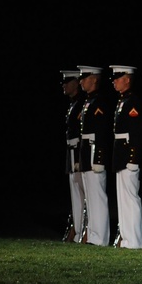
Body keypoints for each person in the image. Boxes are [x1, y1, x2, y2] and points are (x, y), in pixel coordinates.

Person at [110, 65, 142, 248]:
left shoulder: (132, 101)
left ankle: (135, 240)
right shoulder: (122, 100)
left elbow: (136, 132)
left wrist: (133, 158)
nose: (114, 81)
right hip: (120, 153)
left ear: (128, 79)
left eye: (118, 77)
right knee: (122, 198)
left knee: (130, 197)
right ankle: (126, 238)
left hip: (128, 155)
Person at [78, 64, 113, 246]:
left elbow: (102, 132)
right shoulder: (88, 102)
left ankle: (100, 237)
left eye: (85, 77)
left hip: (93, 152)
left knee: (97, 196)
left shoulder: (99, 102)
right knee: (90, 197)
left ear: (94, 79)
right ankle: (92, 234)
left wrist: (99, 158)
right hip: (86, 151)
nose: (81, 81)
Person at [61, 69, 87, 243]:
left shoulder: (82, 103)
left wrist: (79, 158)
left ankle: (84, 229)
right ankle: (78, 230)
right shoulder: (74, 103)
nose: (64, 85)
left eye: (67, 81)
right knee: (76, 192)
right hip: (72, 150)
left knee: (84, 193)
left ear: (76, 83)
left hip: (80, 151)